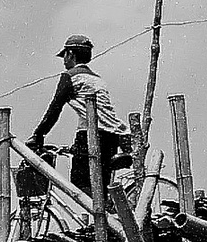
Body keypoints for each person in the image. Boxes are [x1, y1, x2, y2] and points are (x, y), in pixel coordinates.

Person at [28, 34, 131, 194]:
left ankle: (104, 213)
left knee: (80, 184)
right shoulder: (96, 79)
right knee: (100, 188)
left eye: (65, 56)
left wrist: (38, 135)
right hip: (113, 135)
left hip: (91, 135)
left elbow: (55, 108)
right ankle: (109, 211)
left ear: (70, 54)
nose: (64, 61)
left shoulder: (71, 77)